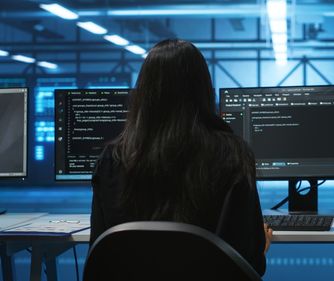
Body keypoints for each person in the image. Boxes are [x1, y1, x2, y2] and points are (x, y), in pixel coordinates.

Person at [90, 39, 272, 276]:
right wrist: (261, 247)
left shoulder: (111, 160)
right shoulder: (232, 156)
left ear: (144, 92)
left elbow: (100, 252)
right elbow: (249, 262)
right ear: (203, 89)